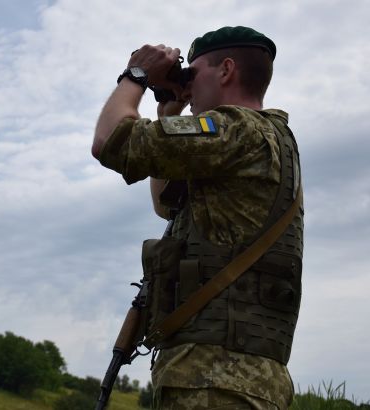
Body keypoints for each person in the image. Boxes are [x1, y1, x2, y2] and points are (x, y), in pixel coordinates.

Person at [92, 26, 304, 410]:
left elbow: (110, 142)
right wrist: (168, 111)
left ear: (226, 70)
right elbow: (166, 204)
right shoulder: (262, 140)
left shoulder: (237, 130)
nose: (187, 86)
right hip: (238, 379)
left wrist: (136, 74)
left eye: (193, 73)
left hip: (216, 380)